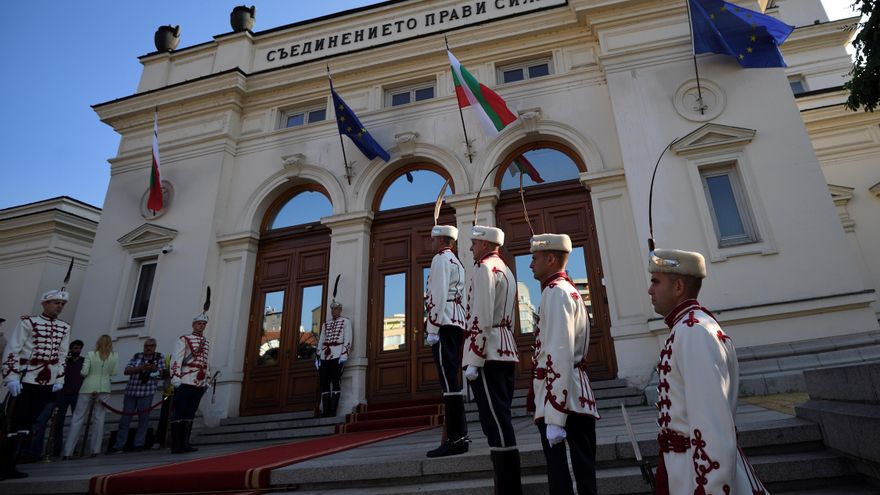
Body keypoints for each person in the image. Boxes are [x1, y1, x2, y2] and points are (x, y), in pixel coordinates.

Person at [648, 248, 768, 494]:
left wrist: (710, 487)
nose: (650, 290)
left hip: (695, 472)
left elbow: (711, 424)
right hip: (683, 469)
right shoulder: (689, 326)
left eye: (656, 282)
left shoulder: (694, 331)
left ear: (679, 286)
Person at [528, 233, 600, 495]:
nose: (530, 264)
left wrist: (556, 417)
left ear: (550, 258)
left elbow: (559, 352)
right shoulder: (563, 289)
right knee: (580, 473)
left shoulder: (557, 292)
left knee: (566, 476)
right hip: (572, 395)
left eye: (534, 258)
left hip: (564, 400)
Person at [463, 225, 522, 494]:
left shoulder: (485, 269)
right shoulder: (506, 269)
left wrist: (475, 357)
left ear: (486, 244)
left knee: (494, 421)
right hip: (505, 348)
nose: (471, 248)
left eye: (474, 243)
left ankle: (508, 487)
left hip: (489, 353)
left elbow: (481, 315)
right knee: (502, 417)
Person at [0, 290, 71, 480]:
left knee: (28, 422)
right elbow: (13, 349)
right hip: (26, 378)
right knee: (13, 422)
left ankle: (12, 464)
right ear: (45, 303)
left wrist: (59, 380)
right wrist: (11, 377)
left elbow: (62, 356)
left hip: (47, 380)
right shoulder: (28, 323)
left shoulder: (64, 328)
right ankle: (3, 463)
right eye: (56, 303)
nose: (59, 306)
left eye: (62, 304)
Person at [424, 225, 468, 458]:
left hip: (445, 322)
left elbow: (438, 294)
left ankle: (455, 437)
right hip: (456, 321)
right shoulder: (456, 261)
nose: (430, 243)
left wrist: (433, 326)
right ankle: (459, 435)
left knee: (448, 382)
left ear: (441, 240)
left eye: (432, 239)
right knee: (452, 380)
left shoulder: (440, 259)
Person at [25, 339, 84, 461]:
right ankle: (55, 449)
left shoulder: (83, 361)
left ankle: (73, 448)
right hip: (61, 394)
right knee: (58, 424)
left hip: (77, 394)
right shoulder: (64, 361)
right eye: (74, 348)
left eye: (78, 348)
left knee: (76, 422)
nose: (76, 350)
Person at [62, 334, 117, 459]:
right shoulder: (114, 356)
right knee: (99, 418)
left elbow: (84, 372)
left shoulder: (91, 354)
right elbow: (113, 372)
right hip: (104, 388)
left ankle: (68, 451)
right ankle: (95, 449)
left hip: (87, 387)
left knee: (78, 418)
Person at [108, 338, 165, 453]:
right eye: (146, 346)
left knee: (143, 420)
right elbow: (127, 370)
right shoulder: (137, 356)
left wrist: (154, 369)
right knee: (125, 419)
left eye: (151, 346)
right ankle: (119, 445)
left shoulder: (159, 357)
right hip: (132, 391)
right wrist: (141, 368)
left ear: (155, 347)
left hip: (146, 392)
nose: (148, 348)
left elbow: (162, 374)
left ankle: (139, 444)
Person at [169, 297, 211, 454]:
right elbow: (176, 359)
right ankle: (176, 444)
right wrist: (175, 377)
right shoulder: (184, 339)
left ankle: (185, 442)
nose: (201, 326)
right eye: (199, 324)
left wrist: (206, 378)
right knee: (180, 411)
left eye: (204, 324)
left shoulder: (206, 342)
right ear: (194, 325)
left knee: (190, 412)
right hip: (185, 378)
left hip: (198, 382)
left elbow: (204, 361)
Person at [316, 299, 352, 417]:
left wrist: (344, 354)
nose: (333, 311)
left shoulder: (345, 322)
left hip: (337, 354)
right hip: (325, 356)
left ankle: (333, 410)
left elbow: (347, 339)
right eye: (332, 309)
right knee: (324, 382)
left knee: (335, 381)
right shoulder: (326, 324)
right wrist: (318, 356)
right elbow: (321, 340)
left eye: (336, 309)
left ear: (340, 310)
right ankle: (326, 410)